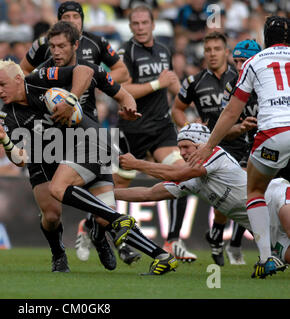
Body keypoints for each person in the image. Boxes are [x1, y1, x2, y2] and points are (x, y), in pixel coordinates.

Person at [0, 59, 178, 275]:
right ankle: (64, 252)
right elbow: (20, 158)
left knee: (92, 208)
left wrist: (70, 99)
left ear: (19, 78)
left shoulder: (41, 79)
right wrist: (5, 141)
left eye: (3, 84)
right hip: (43, 159)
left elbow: (85, 70)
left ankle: (118, 234)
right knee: (51, 216)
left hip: (85, 143)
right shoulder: (7, 116)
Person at [29, 20, 142, 266]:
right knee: (51, 214)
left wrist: (129, 108)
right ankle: (58, 254)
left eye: (61, 46)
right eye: (52, 46)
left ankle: (97, 232)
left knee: (104, 216)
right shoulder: (44, 73)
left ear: (76, 45)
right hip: (49, 145)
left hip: (88, 141)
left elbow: (124, 95)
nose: (55, 51)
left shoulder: (94, 70)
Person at [189, 16, 290, 278]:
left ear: (265, 40)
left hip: (272, 136)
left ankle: (267, 257)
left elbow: (231, 111)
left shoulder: (255, 63)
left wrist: (208, 145)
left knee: (254, 190)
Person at [116, 123, 288, 277]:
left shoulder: (214, 153)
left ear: (201, 144)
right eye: (179, 148)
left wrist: (137, 164)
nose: (182, 153)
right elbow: (148, 193)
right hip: (264, 228)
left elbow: (176, 174)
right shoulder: (190, 179)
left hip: (276, 198)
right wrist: (107, 195)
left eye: (186, 147)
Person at [113, 4, 195, 262]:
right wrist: (158, 82)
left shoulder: (163, 50)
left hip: (161, 129)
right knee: (113, 189)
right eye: (135, 24)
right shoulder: (125, 53)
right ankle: (99, 230)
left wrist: (182, 96)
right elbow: (122, 91)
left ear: (152, 23)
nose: (139, 27)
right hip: (132, 130)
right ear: (130, 27)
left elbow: (170, 85)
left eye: (143, 23)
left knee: (182, 175)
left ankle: (172, 241)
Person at [171, 31, 247, 266]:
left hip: (241, 145)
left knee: (243, 196)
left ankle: (226, 240)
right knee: (225, 198)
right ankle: (215, 238)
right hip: (209, 150)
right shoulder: (194, 82)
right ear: (203, 54)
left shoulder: (241, 78)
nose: (212, 54)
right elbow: (177, 109)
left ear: (226, 52)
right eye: (208, 50)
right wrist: (188, 129)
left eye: (217, 49)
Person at [210, 39, 262, 266]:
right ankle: (219, 234)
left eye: (244, 61)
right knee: (242, 193)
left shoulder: (268, 81)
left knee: (254, 194)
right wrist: (240, 127)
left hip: (266, 143)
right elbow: (225, 125)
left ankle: (236, 244)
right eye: (237, 61)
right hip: (237, 143)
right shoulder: (233, 84)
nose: (240, 66)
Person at [20, 1, 129, 84]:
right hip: (52, 105)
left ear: (82, 19)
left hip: (87, 109)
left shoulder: (97, 42)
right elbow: (23, 70)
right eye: (66, 17)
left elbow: (123, 72)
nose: (71, 21)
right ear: (59, 21)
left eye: (75, 16)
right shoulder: (44, 43)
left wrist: (95, 80)